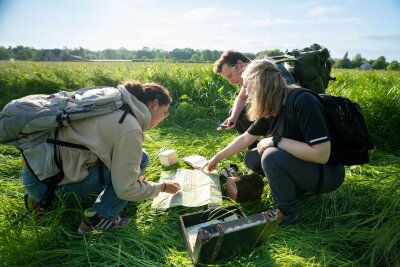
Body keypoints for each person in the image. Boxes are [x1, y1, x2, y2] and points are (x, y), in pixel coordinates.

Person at [22, 81, 181, 234]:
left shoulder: (112, 104)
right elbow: (126, 190)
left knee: (141, 156)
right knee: (139, 164)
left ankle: (38, 199)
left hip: (35, 170)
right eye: (164, 112)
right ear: (155, 103)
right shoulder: (130, 127)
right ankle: (98, 219)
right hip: (49, 184)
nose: (162, 118)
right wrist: (162, 187)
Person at [203, 58, 345, 222]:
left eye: (248, 86)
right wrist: (216, 158)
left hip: (327, 173)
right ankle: (298, 190)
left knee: (271, 156)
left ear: (259, 83)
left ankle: (287, 213)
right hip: (306, 164)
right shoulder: (273, 103)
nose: (247, 93)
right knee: (252, 157)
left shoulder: (303, 101)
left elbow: (321, 155)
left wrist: (275, 140)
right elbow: (246, 138)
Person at [213, 50, 295, 138]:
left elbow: (283, 103)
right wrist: (233, 117)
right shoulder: (251, 75)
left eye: (230, 76)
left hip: (286, 117)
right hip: (270, 111)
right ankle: (252, 146)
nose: (231, 81)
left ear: (240, 64)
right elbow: (241, 98)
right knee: (237, 112)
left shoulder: (269, 70)